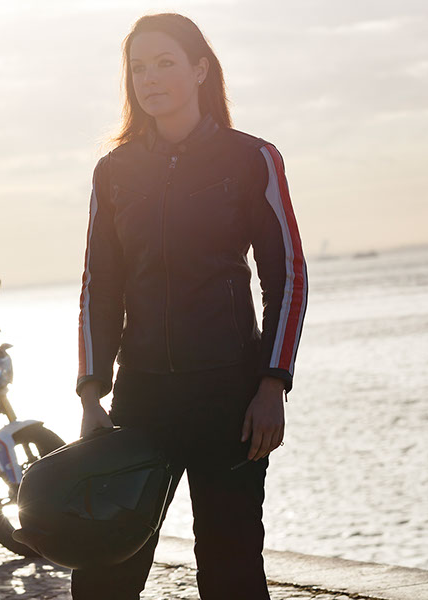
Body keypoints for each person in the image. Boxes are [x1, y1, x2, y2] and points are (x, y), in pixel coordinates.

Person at [75, 13, 308, 600]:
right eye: (138, 68)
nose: (150, 79)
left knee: (231, 573)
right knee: (104, 572)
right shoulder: (114, 171)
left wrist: (272, 384)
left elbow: (288, 276)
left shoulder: (251, 158)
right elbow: (100, 287)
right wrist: (91, 393)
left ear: (201, 70)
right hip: (141, 400)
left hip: (228, 400)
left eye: (165, 63)